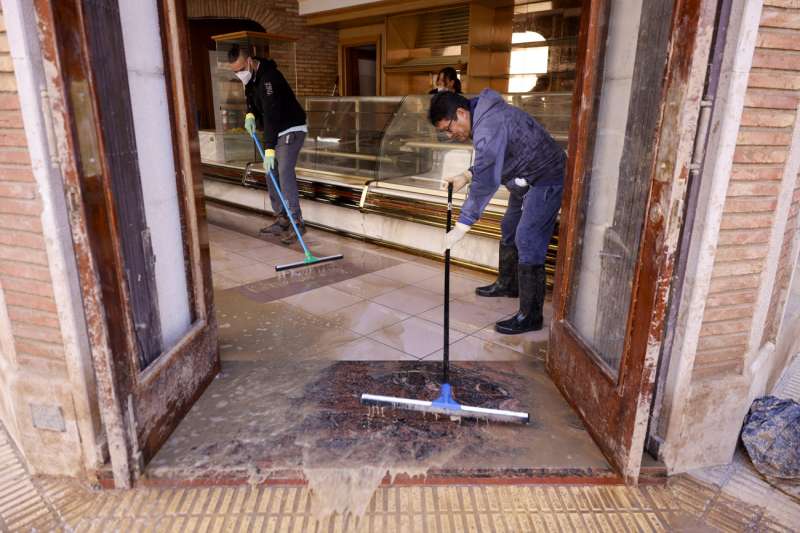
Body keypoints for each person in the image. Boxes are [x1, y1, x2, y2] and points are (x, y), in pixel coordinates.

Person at [429, 90, 565, 335]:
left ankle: (530, 315)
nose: (450, 135)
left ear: (460, 113)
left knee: (527, 237)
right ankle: (508, 283)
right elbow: (491, 157)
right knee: (509, 228)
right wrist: (466, 175)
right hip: (522, 176)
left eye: (449, 128)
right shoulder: (483, 115)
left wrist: (462, 226)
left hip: (546, 178)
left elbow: (486, 181)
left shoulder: (489, 123)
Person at [228, 44, 308, 244]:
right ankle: (282, 219)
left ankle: (296, 220)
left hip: (291, 128)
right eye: (235, 72)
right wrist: (249, 114)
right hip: (276, 131)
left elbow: (271, 116)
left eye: (240, 69)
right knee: (270, 172)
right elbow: (250, 99)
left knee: (283, 171)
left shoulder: (269, 78)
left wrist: (270, 147)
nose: (239, 74)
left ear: (249, 61)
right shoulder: (251, 79)